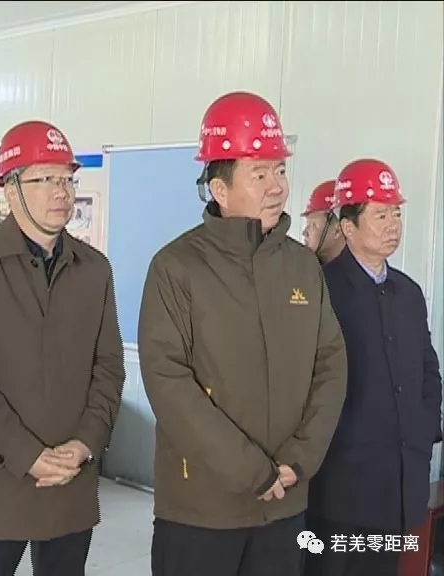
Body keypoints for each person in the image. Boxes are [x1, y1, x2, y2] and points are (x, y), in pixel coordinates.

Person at [137, 90, 349, 576]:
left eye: (280, 170)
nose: (277, 187)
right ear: (219, 187)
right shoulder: (177, 267)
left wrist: (299, 459)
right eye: (259, 174)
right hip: (202, 510)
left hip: (285, 504)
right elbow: (168, 383)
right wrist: (252, 471)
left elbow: (331, 366)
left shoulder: (302, 266)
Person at [0, 120, 125, 576]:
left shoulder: (94, 270)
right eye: (45, 179)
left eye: (67, 179)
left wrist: (85, 444)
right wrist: (28, 456)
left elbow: (108, 368)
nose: (61, 192)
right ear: (10, 190)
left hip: (70, 483)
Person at [304, 158, 443, 576]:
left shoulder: (408, 293)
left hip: (396, 485)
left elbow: (428, 373)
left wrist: (423, 430)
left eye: (396, 213)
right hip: (341, 487)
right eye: (380, 215)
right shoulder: (323, 290)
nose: (393, 225)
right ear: (348, 227)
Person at [301, 179, 346, 264]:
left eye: (313, 224)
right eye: (307, 224)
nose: (304, 233)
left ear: (337, 230)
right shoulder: (304, 268)